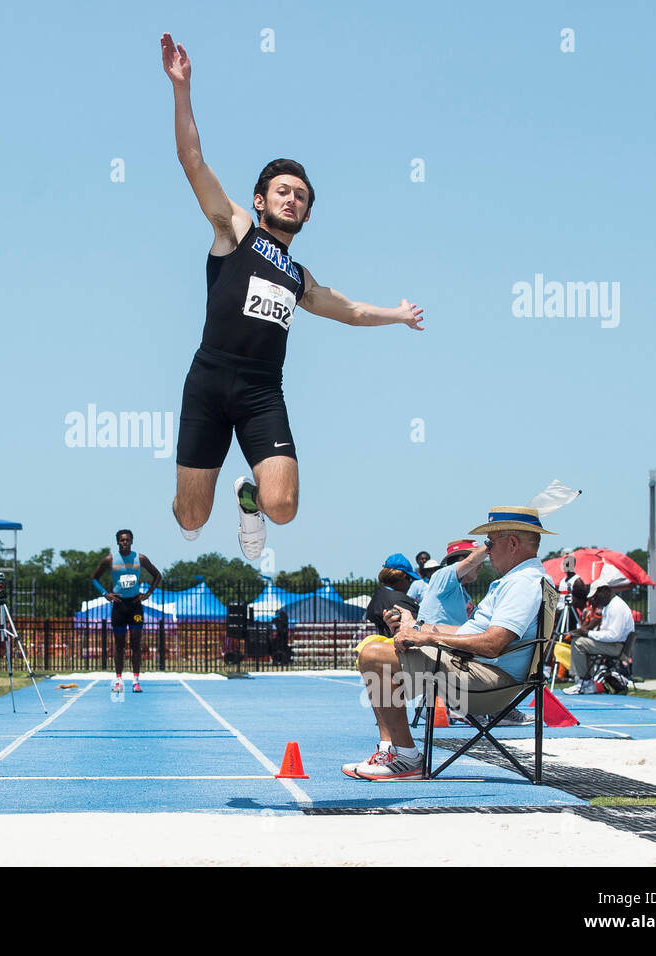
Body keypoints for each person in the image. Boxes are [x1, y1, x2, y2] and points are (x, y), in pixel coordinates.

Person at [161, 33, 425, 561]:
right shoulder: (235, 230)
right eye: (283, 191)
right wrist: (182, 88)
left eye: (301, 197)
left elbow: (348, 310)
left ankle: (251, 500)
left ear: (307, 215)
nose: (292, 198)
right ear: (261, 201)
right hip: (209, 381)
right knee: (191, 518)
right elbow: (192, 159)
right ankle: (200, 502)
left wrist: (397, 315)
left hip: (262, 392)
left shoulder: (298, 277)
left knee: (283, 505)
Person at [346, 506, 554, 781]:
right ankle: (393, 750)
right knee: (378, 651)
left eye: (490, 544)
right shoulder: (524, 580)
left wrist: (427, 637)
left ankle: (405, 756)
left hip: (489, 681)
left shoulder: (522, 584)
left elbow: (493, 644)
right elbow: (472, 631)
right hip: (484, 672)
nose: (487, 552)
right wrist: (417, 627)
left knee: (374, 655)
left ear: (512, 543)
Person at [90, 529, 162, 693]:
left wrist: (148, 594)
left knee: (136, 644)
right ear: (117, 542)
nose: (125, 543)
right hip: (119, 606)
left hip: (135, 606)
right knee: (119, 645)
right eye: (122, 540)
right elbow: (94, 577)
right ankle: (119, 680)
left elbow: (157, 575)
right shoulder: (110, 560)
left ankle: (136, 680)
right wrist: (105, 594)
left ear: (132, 541)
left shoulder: (140, 558)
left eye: (127, 540)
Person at [564, 581, 636, 691]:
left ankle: (584, 682)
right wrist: (587, 634)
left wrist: (588, 633)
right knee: (581, 641)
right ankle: (585, 680)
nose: (594, 600)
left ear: (605, 591)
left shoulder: (615, 607)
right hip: (614, 645)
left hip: (617, 647)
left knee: (578, 643)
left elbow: (613, 636)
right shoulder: (610, 606)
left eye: (596, 596)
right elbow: (607, 633)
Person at [416, 540, 488, 628]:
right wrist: (493, 541)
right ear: (462, 561)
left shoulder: (463, 593)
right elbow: (470, 561)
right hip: (434, 639)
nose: (481, 566)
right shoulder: (443, 575)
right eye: (479, 561)